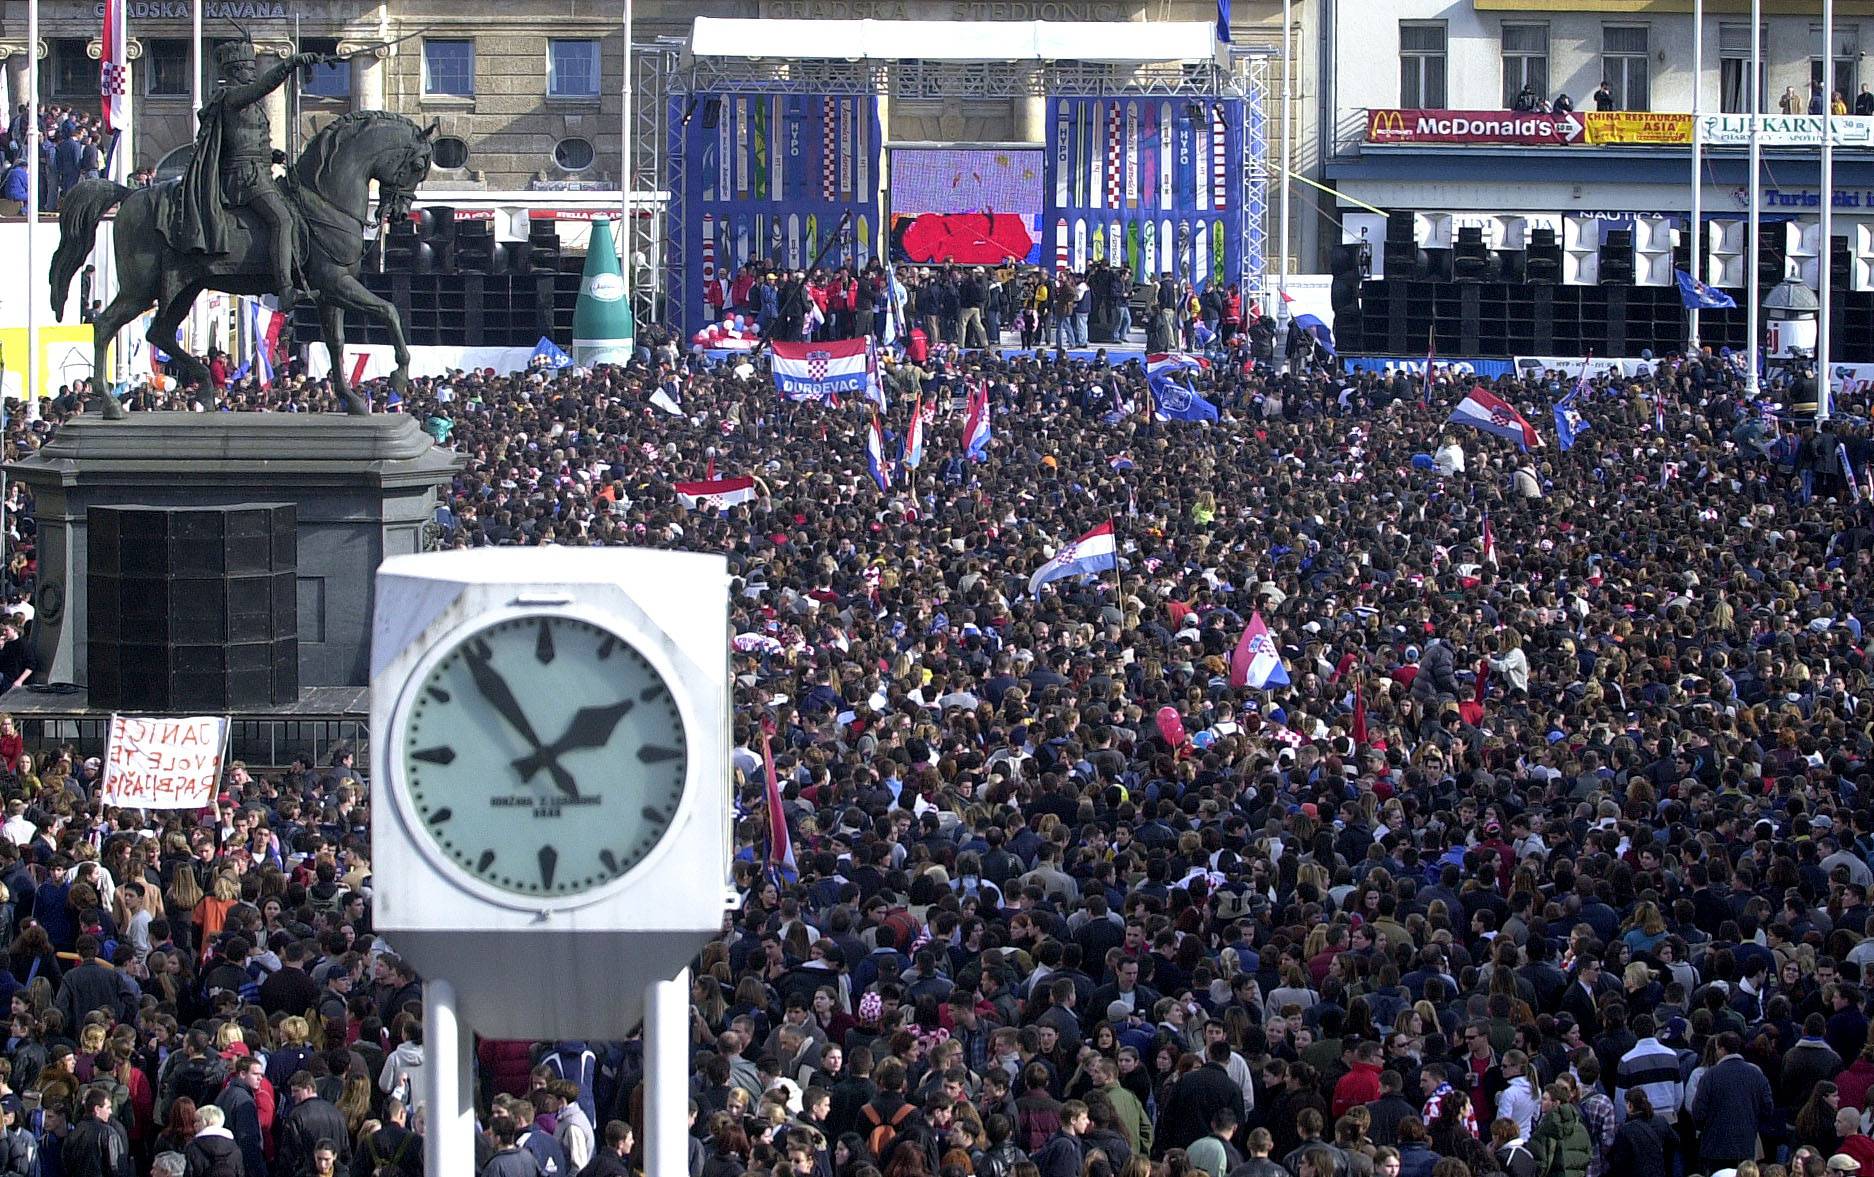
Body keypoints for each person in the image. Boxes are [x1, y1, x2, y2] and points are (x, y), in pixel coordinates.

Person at [163, 37, 335, 313]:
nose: (251, 72)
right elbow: (264, 86)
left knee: (298, 210)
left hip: (260, 172)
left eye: (252, 67)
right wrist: (292, 62)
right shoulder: (232, 96)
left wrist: (273, 154)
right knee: (283, 219)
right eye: (246, 67)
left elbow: (247, 140)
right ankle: (286, 290)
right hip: (243, 179)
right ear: (233, 70)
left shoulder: (249, 104)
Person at [1690, 1031, 1774, 1172]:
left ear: (1722, 1050)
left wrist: (1708, 1128)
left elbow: (1698, 1112)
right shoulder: (1756, 1074)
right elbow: (1767, 1108)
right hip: (1745, 1144)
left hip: (1715, 1147)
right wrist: (1751, 1124)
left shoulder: (1710, 1075)